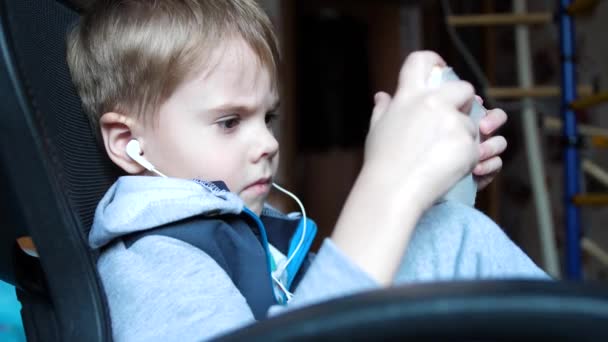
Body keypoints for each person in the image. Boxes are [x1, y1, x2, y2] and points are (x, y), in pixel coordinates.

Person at [66, 0, 547, 340]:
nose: (268, 142)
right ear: (129, 144)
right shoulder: (155, 264)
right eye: (230, 121)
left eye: (267, 117)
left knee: (449, 228)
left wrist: (429, 185)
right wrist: (388, 186)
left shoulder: (235, 230)